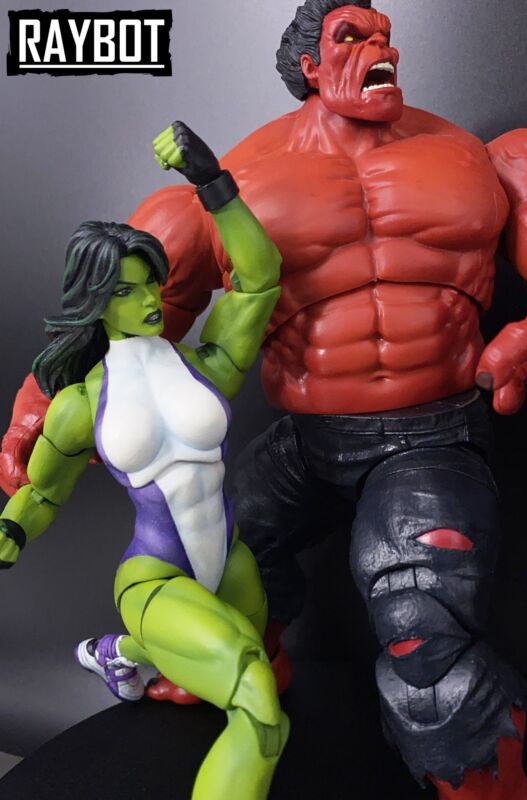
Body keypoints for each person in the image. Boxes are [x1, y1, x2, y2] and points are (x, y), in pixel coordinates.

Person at [5, 1, 527, 796]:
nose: (379, 46)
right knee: (218, 549)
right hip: (309, 436)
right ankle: (243, 669)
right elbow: (118, 321)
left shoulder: (479, 160)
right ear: (309, 67)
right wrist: (36, 406)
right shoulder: (237, 183)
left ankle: (489, 784)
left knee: (420, 624)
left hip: (431, 434)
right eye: (351, 35)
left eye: (383, 33)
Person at [0, 121, 288, 800]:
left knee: (253, 667)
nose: (150, 301)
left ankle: (119, 654)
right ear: (96, 302)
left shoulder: (206, 366)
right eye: (125, 291)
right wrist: (9, 530)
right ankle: (131, 641)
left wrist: (211, 181)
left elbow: (258, 279)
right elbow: (42, 494)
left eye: (151, 283)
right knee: (258, 705)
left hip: (232, 564)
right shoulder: (79, 405)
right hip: (155, 577)